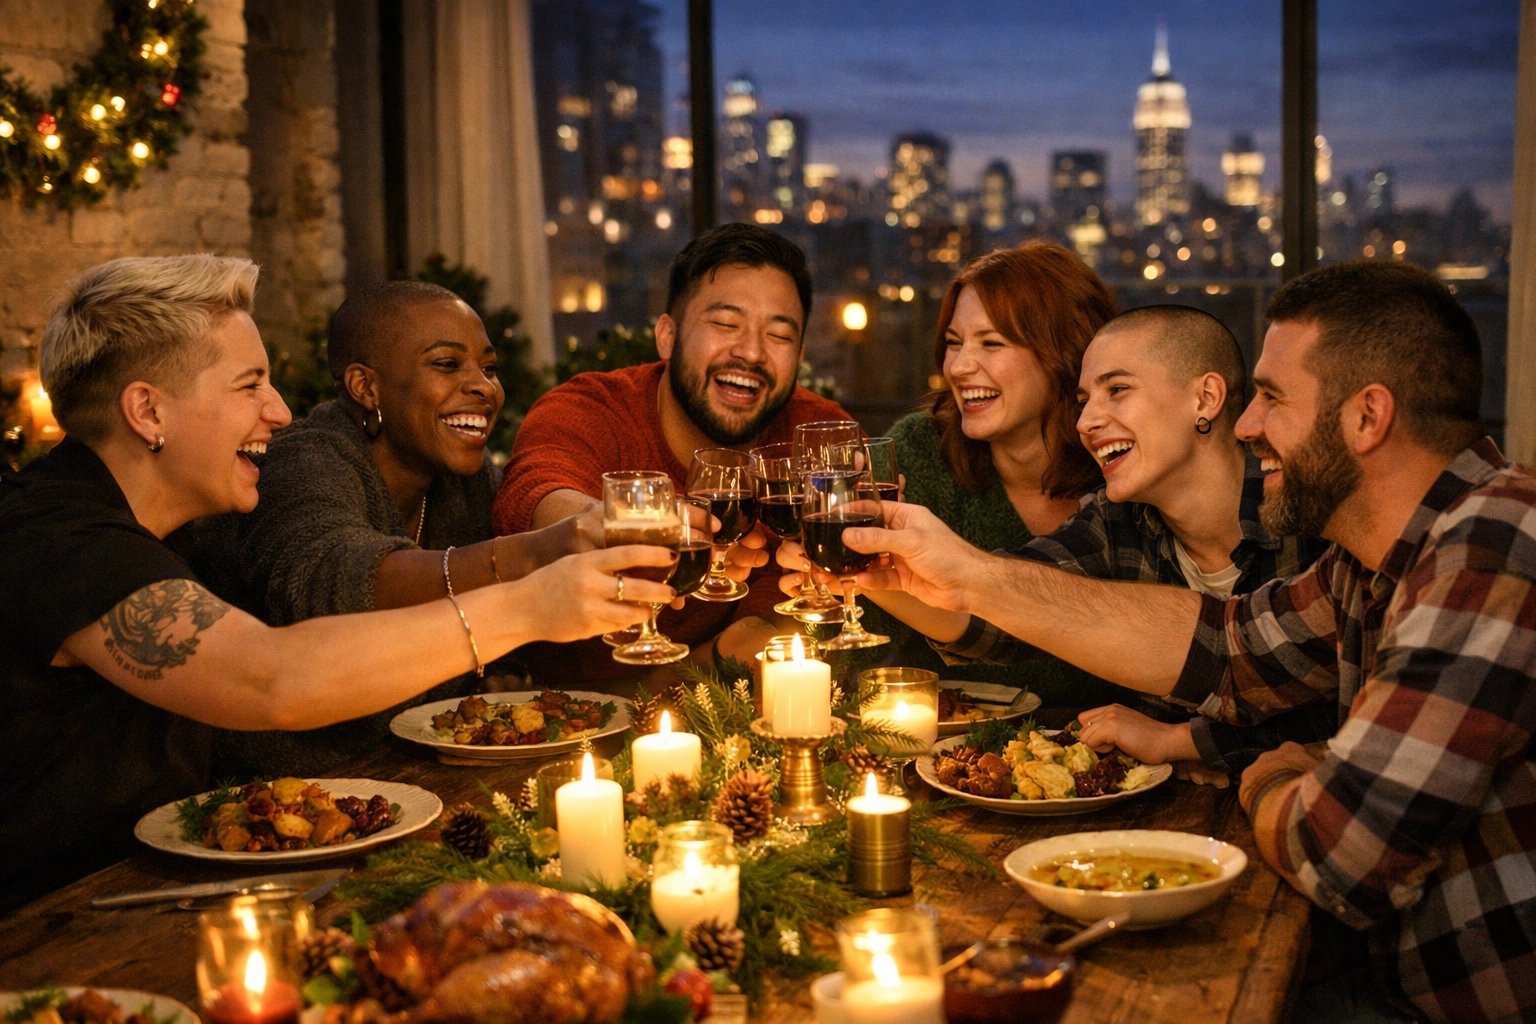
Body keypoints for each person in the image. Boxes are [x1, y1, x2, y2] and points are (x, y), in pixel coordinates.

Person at [850, 261, 1534, 1023]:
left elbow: (1342, 856)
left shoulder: (1491, 540)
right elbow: (1229, 648)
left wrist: (1272, 771)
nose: (1248, 423)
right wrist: (944, 573)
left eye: (1272, 399)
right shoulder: (1365, 563)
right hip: (1381, 966)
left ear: (1367, 418)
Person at [0, 256, 673, 911]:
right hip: (45, 934)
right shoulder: (58, 537)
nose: (280, 411)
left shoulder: (169, 523)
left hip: (150, 893)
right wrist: (527, 604)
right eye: (249, 385)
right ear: (147, 413)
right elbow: (272, 680)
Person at [186, 281, 606, 777]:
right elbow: (331, 585)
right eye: (447, 364)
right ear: (366, 387)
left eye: (489, 369)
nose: (484, 387)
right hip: (273, 801)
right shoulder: (304, 461)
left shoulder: (463, 482)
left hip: (416, 780)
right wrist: (533, 555)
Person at [493, 223, 852, 682]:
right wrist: (624, 526)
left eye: (779, 336)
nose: (751, 353)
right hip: (565, 721)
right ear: (667, 335)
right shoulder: (589, 409)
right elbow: (533, 497)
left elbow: (777, 625)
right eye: (725, 324)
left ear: (800, 356)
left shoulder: (816, 435)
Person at [854, 242, 1123, 707]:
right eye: (954, 342)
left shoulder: (1124, 466)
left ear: (1066, 352)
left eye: (991, 343)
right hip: (949, 759)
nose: (958, 367)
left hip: (1122, 767)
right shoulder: (922, 451)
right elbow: (866, 642)